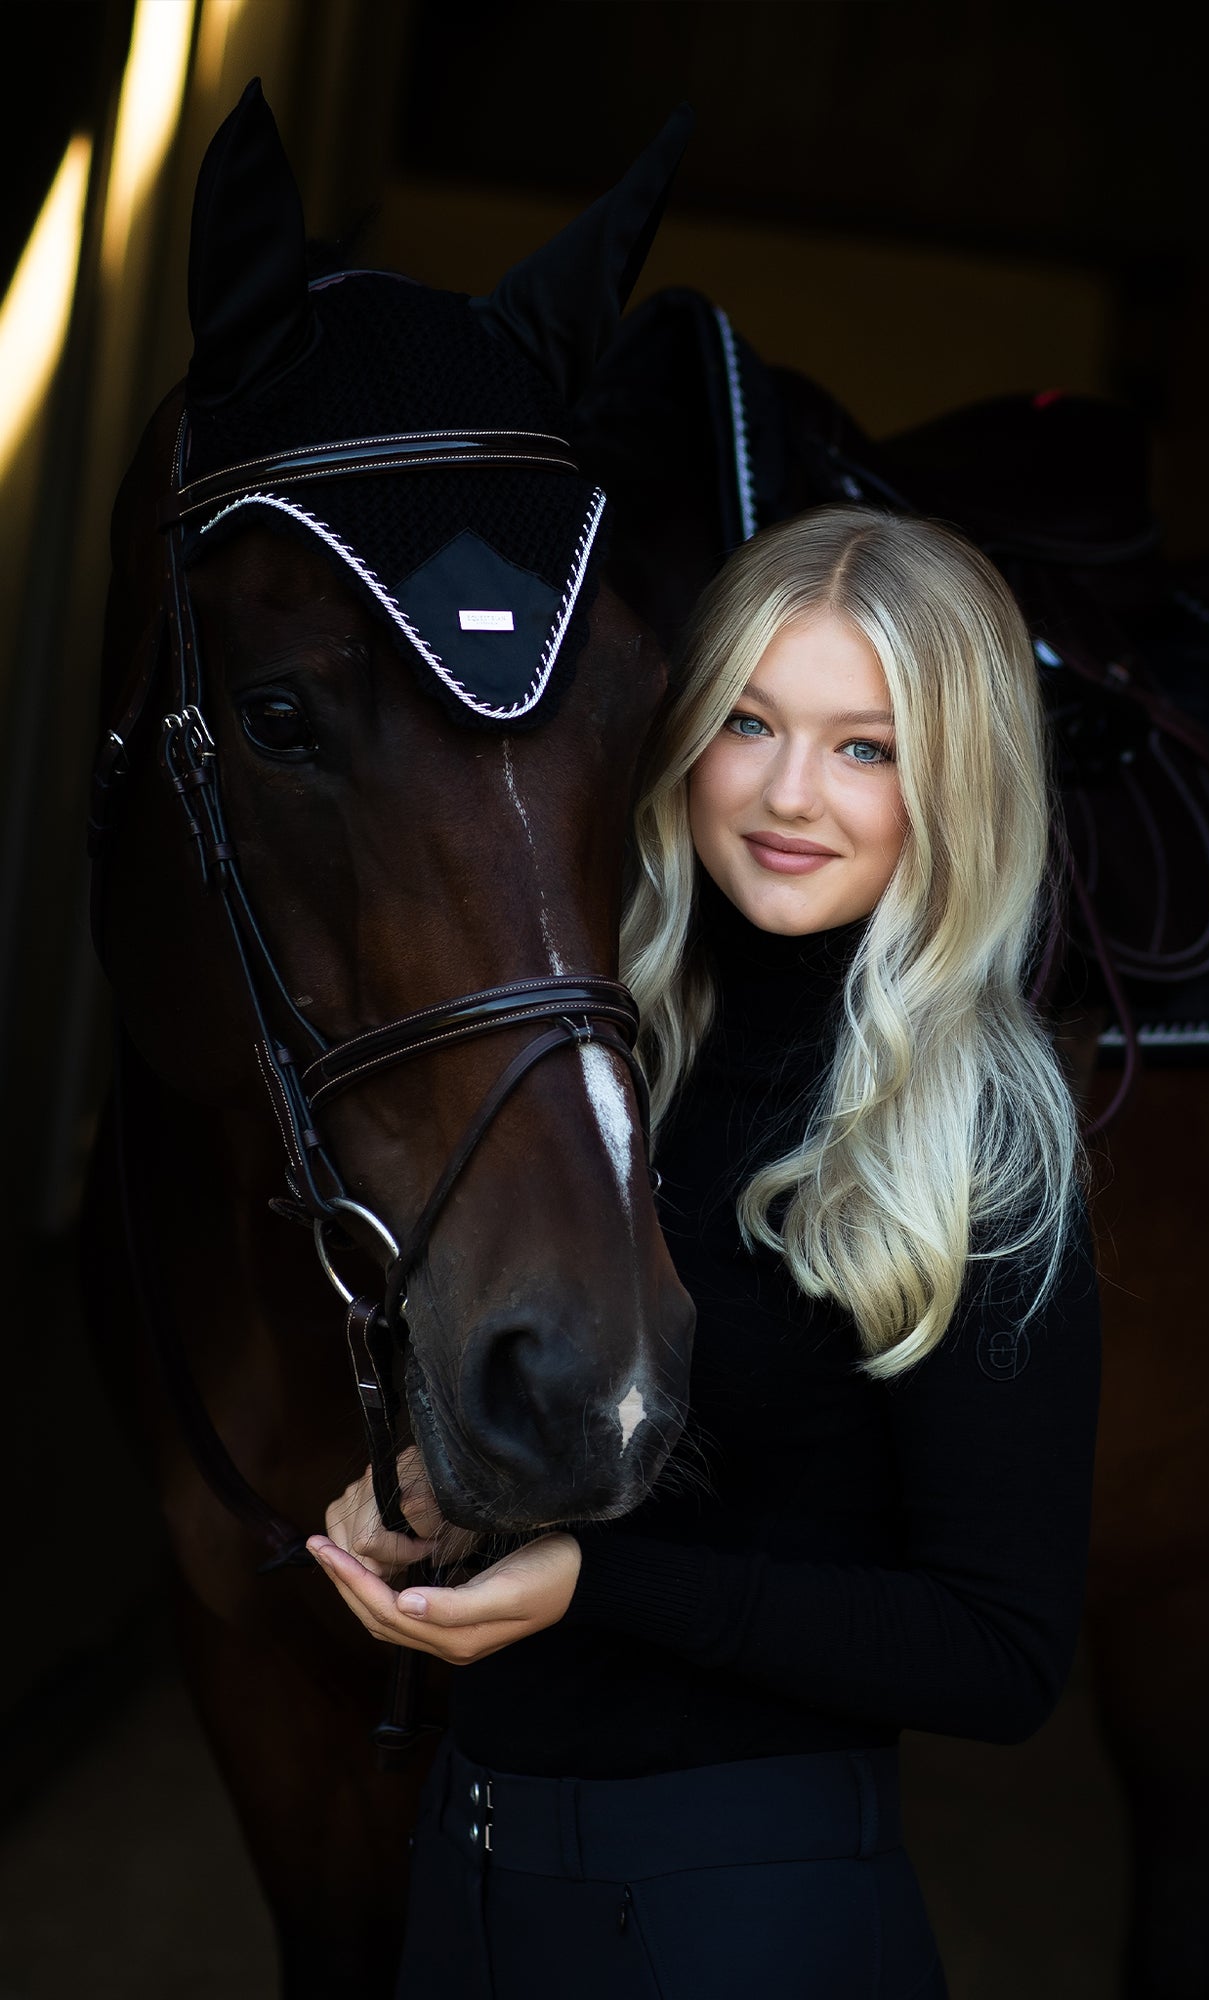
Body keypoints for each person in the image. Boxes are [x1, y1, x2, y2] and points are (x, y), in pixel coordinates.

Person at [308, 505, 1101, 1999]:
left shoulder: (979, 1139)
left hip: (749, 1919)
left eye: (866, 746)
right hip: (471, 1873)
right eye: (749, 722)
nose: (790, 793)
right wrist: (444, 1496)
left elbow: (1002, 1652)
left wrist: (593, 1586)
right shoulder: (591, 1063)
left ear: (959, 783)